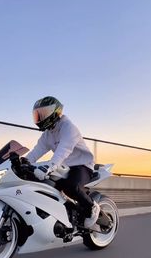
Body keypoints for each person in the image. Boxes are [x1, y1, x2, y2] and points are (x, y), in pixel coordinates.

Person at [24, 96, 100, 228]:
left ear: (55, 112)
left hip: (82, 165)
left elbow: (64, 149)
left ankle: (91, 208)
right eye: (38, 115)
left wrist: (50, 166)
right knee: (46, 186)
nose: (40, 118)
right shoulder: (48, 134)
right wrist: (23, 162)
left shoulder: (68, 128)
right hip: (64, 165)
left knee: (72, 187)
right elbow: (37, 151)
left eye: (44, 113)